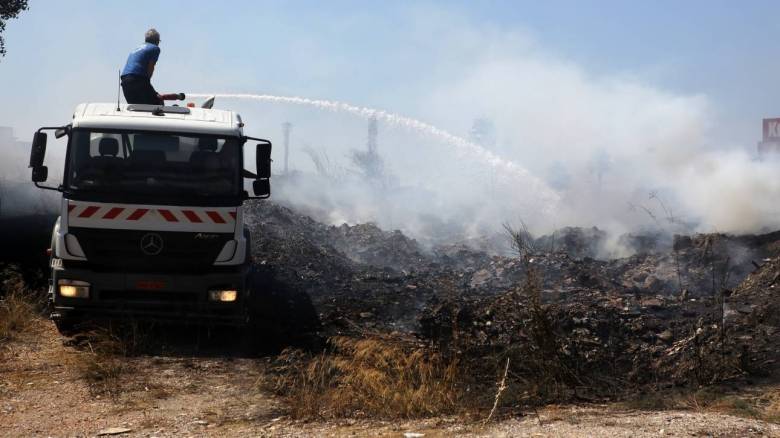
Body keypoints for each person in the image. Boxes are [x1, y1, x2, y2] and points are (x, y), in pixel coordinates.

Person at [121, 29, 164, 105]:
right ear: (156, 41)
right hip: (137, 79)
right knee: (158, 102)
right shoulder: (155, 48)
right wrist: (147, 84)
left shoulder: (137, 48)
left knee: (136, 107)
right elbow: (151, 67)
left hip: (125, 81)